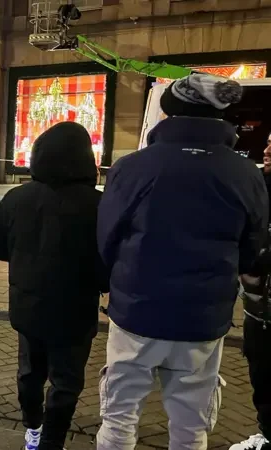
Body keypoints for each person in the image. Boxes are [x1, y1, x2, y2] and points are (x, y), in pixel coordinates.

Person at [97, 73, 268, 450]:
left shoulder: (133, 167)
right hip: (203, 319)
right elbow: (253, 245)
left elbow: (107, 236)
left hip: (136, 312)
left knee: (120, 415)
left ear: (168, 115)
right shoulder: (245, 174)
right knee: (191, 426)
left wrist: (110, 283)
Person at [0, 122, 107, 450]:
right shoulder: (99, 204)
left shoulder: (18, 197)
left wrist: (24, 258)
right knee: (66, 381)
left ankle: (32, 429)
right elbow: (112, 259)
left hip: (29, 305)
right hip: (76, 311)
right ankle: (52, 442)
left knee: (30, 372)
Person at [230, 135, 271, 450]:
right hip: (258, 310)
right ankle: (267, 435)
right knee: (262, 379)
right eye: (268, 142)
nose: (267, 149)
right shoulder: (257, 189)